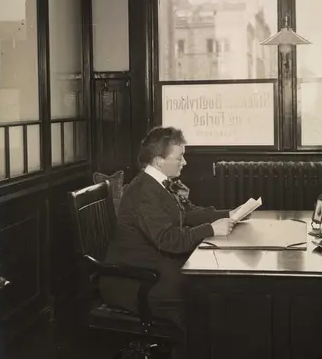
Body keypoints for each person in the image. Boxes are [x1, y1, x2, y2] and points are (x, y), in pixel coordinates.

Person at [100, 126, 235, 329]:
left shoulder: (159, 183)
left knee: (211, 287)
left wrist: (229, 214)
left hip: (153, 268)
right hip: (135, 280)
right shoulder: (144, 191)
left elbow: (189, 213)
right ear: (159, 161)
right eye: (179, 157)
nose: (185, 162)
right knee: (207, 294)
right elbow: (168, 239)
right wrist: (211, 229)